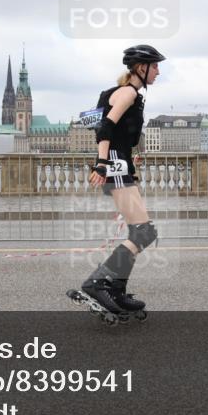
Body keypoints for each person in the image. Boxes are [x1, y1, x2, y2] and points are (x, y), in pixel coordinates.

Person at [79, 44, 166, 314]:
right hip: (114, 166)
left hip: (120, 163)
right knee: (144, 232)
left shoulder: (118, 92)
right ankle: (99, 283)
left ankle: (116, 289)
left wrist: (129, 156)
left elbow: (105, 125)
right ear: (141, 68)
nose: (158, 72)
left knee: (140, 232)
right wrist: (103, 163)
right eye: (155, 66)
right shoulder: (128, 92)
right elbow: (105, 127)